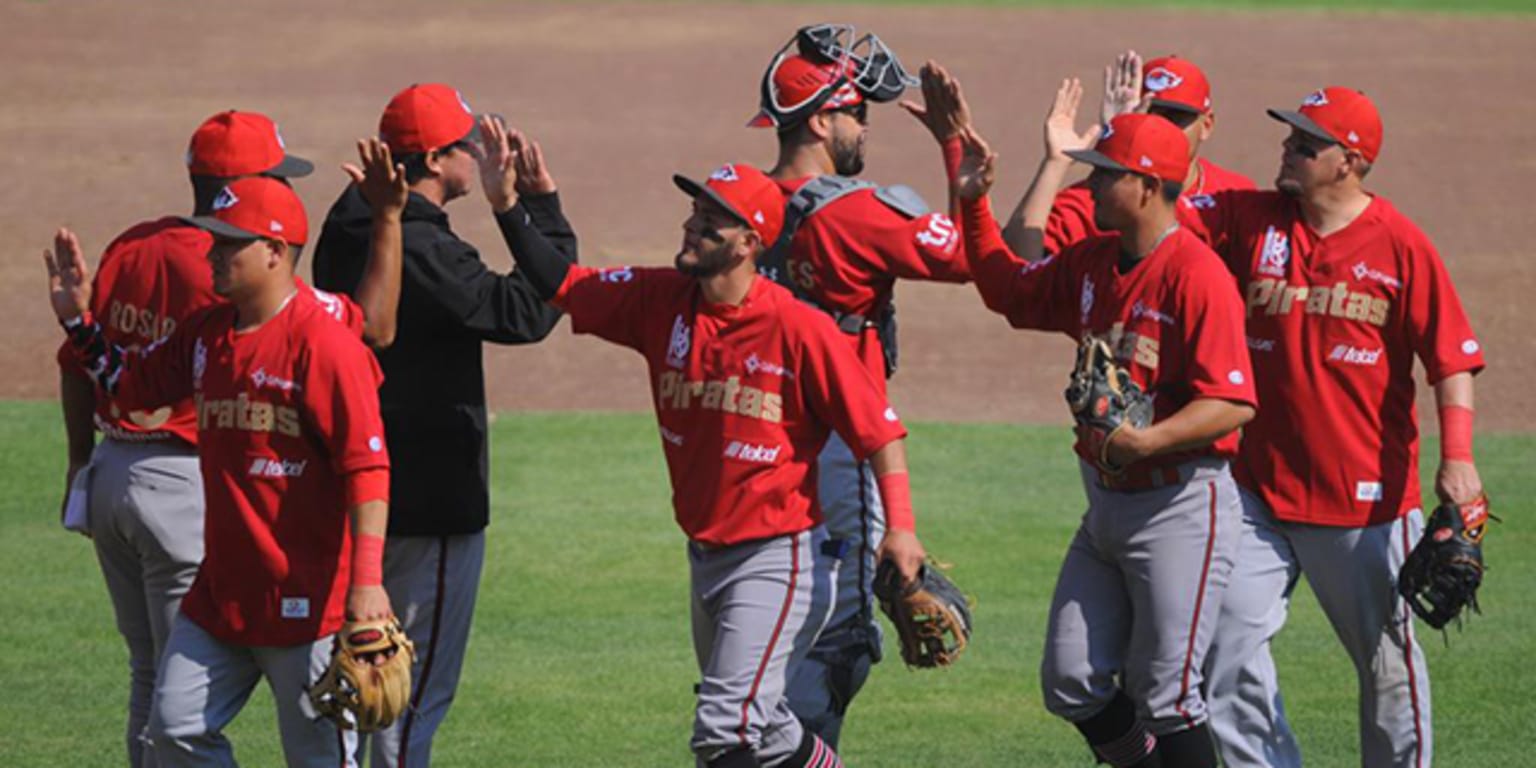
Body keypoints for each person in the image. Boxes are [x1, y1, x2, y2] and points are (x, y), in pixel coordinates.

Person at [486, 111, 928, 766]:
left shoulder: (800, 329)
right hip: (705, 555)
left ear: (749, 242)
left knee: (724, 727)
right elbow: (563, 285)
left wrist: (902, 528)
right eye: (692, 215)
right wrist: (513, 207)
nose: (690, 229)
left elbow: (879, 433)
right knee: (753, 729)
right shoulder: (657, 299)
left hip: (778, 557)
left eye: (708, 222)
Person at [55, 112, 401, 768]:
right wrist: (80, 321)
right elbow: (128, 388)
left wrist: (367, 585)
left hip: (308, 603)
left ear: (274, 251)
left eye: (227, 246)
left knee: (320, 758)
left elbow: (367, 466)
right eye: (213, 242)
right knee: (173, 730)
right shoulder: (206, 334)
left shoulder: (324, 344)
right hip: (220, 595)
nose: (211, 254)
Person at [938, 75, 1256, 767]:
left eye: (1104, 176)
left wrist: (1146, 438)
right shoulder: (1092, 262)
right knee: (1071, 680)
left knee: (1169, 697)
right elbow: (1006, 288)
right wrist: (972, 200)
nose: (1090, 187)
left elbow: (1232, 402)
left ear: (1146, 186)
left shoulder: (1196, 275)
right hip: (1106, 506)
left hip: (1181, 505)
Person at [1194, 87, 1487, 768]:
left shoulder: (1401, 246)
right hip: (1257, 491)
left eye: (1305, 142)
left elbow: (1452, 360)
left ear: (1348, 162)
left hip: (1365, 504)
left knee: (1389, 669)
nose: (1287, 150)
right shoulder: (1251, 220)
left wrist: (1460, 458)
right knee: (1223, 649)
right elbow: (1162, 202)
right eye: (1290, 137)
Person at [312, 84, 568, 768]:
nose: (485, 151)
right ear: (432, 159)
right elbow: (528, 311)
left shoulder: (347, 217)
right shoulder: (420, 245)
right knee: (406, 704)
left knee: (349, 694)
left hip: (356, 496)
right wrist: (530, 211)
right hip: (429, 503)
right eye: (469, 144)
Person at [748, 25, 970, 745]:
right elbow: (984, 259)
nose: (864, 129)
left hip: (748, 446)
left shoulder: (735, 205)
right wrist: (955, 145)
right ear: (821, 120)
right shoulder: (859, 212)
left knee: (753, 625)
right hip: (842, 450)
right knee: (837, 637)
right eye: (857, 114)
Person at [1002, 52, 1254, 259]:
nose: (1160, 127)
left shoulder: (1236, 196)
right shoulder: (1098, 196)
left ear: (1207, 125)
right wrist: (1057, 164)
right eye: (1150, 114)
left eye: (1176, 118)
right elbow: (1017, 268)